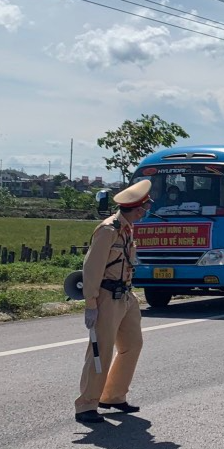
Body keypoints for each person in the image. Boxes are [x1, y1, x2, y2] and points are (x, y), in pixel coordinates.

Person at [74, 178, 153, 425]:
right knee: (101, 351)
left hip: (125, 295)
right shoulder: (108, 230)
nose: (146, 212)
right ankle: (87, 404)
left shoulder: (127, 228)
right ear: (137, 208)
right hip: (106, 296)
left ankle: (114, 395)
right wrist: (90, 304)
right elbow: (92, 268)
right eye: (145, 208)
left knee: (133, 344)